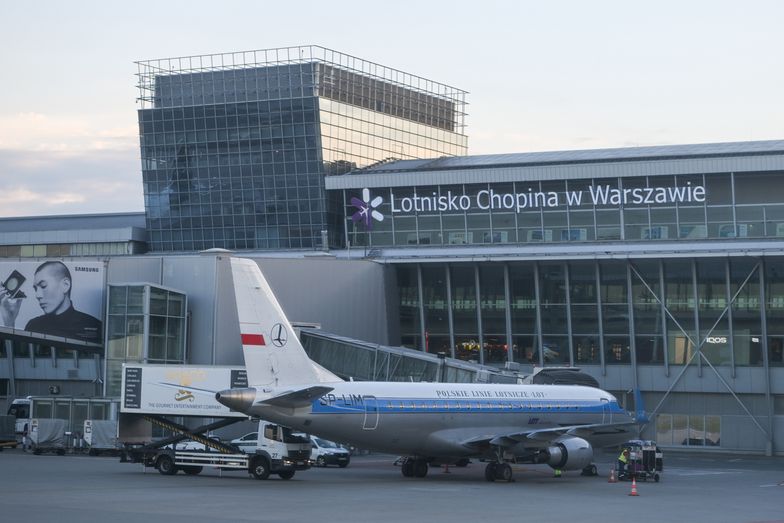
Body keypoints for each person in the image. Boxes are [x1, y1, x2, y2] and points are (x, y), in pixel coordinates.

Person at [1, 261, 101, 342]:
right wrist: (9, 323)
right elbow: (18, 360)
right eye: (35, 289)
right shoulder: (33, 325)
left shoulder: (93, 325)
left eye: (43, 286)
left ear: (65, 285)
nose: (37, 295)